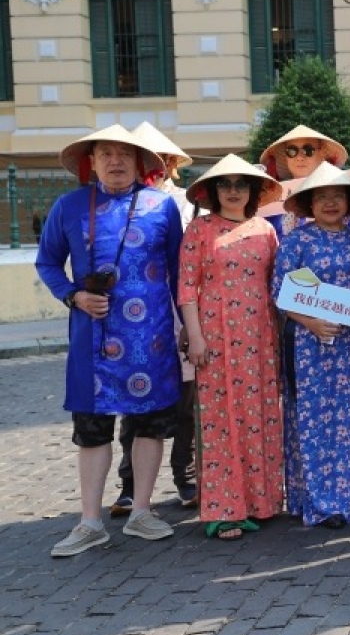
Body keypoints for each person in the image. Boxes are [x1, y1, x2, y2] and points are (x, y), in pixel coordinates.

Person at [37, 125, 183, 557]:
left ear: (141, 163)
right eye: (106, 153)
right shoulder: (69, 206)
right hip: (92, 339)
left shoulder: (162, 206)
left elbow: (179, 271)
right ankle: (89, 521)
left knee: (151, 423)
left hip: (151, 339)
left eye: (125, 154)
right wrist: (73, 294)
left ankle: (141, 511)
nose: (116, 161)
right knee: (91, 429)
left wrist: (187, 329)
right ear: (92, 161)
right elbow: (47, 262)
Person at [179, 155, 286, 540]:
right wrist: (195, 337)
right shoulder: (200, 229)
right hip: (216, 337)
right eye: (226, 184)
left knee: (260, 416)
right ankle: (226, 508)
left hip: (260, 338)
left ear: (254, 191)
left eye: (243, 184)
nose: (235, 191)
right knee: (221, 420)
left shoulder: (265, 230)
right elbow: (187, 288)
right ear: (213, 192)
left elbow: (279, 285)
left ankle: (262, 501)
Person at [272, 164, 350, 529]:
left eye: (337, 196)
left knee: (348, 419)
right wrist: (311, 322)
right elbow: (280, 292)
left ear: (348, 202)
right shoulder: (297, 242)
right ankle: (317, 500)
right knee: (311, 422)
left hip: (349, 346)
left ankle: (348, 498)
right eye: (321, 197)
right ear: (309, 204)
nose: (330, 203)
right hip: (307, 345)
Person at [107, 122, 200, 516]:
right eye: (151, 159)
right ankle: (129, 484)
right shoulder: (124, 204)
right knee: (135, 399)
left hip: (177, 310)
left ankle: (187, 476)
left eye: (165, 160)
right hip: (135, 317)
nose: (158, 166)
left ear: (174, 164)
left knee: (185, 400)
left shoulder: (186, 202)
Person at [258, 125, 350, 238]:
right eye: (292, 151)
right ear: (286, 158)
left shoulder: (341, 198)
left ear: (321, 155)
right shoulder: (271, 202)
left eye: (308, 150)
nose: (300, 157)